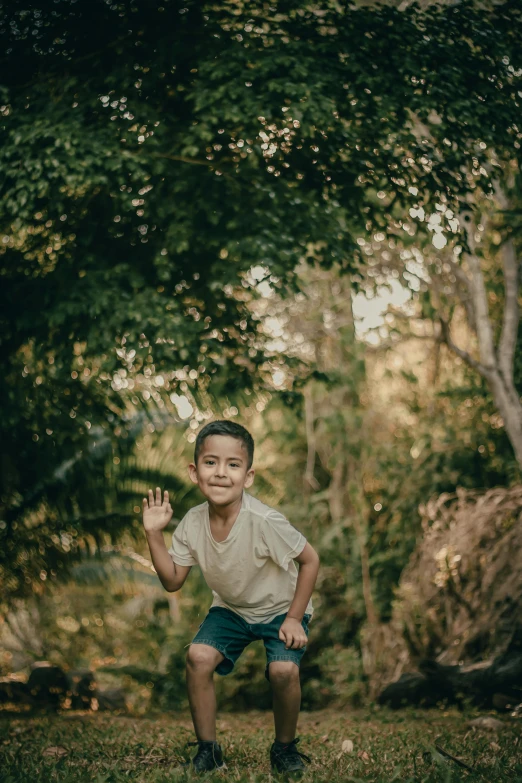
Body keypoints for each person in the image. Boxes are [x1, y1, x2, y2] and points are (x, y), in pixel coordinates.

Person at [142, 420, 320, 775]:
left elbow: (310, 560)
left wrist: (294, 618)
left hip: (280, 610)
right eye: (211, 462)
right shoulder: (192, 523)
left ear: (248, 476)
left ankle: (284, 749)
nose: (221, 473)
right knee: (198, 656)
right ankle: (208, 750)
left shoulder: (264, 520)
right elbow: (173, 581)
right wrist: (153, 534)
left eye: (233, 464)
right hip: (232, 610)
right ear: (195, 471)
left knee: (283, 670)